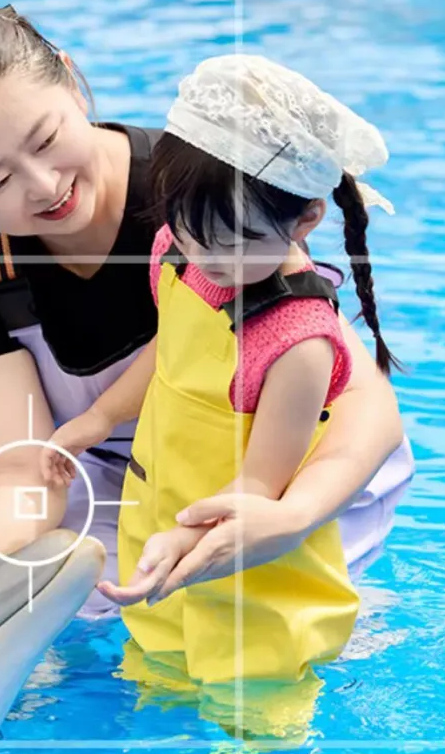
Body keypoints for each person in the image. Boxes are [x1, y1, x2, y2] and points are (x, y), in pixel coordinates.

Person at [0, 5, 414, 621]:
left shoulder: (195, 189)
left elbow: (369, 409)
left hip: (283, 481)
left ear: (71, 80)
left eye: (45, 140)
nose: (44, 186)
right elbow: (25, 471)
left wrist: (289, 517)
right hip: (130, 489)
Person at [43, 53, 400, 683]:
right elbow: (170, 353)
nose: (209, 259)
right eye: (190, 231)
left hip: (251, 570)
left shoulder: (298, 341)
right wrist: (98, 418)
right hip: (165, 528)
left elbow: (260, 486)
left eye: (236, 244)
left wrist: (185, 541)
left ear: (307, 219)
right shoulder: (178, 253)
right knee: (157, 680)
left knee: (258, 710)